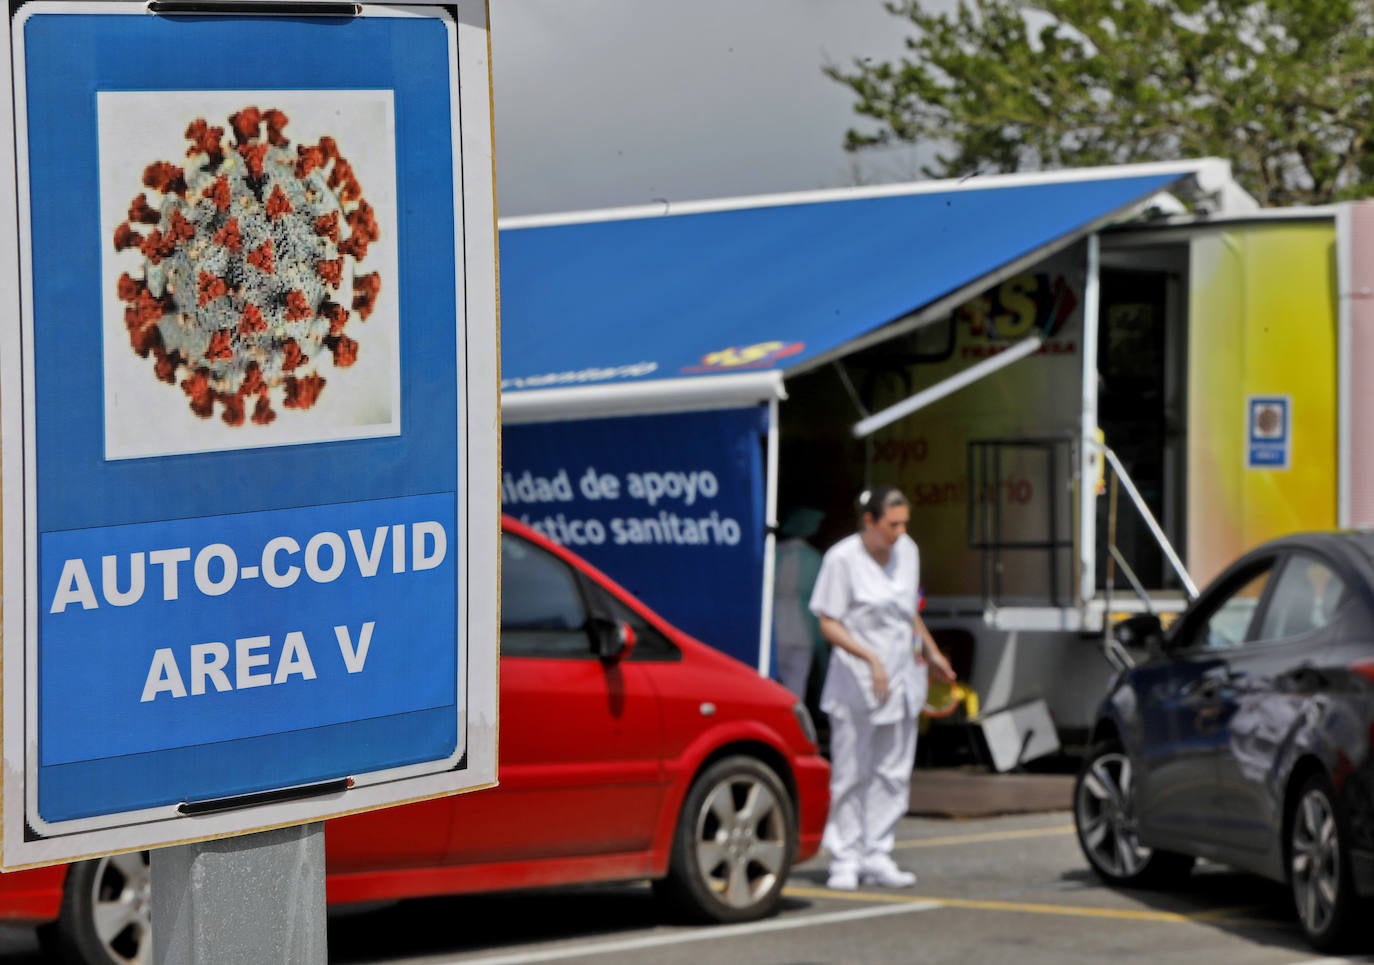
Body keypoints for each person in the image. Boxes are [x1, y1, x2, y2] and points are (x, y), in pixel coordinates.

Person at [809, 485, 955, 890]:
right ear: (869, 522)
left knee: (892, 770)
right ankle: (845, 857)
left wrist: (933, 652)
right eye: (892, 524)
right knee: (851, 771)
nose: (900, 531)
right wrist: (869, 657)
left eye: (904, 523)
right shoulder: (842, 559)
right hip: (858, 680)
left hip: (903, 675)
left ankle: (878, 852)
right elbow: (828, 622)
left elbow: (906, 613)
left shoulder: (908, 551)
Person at [773, 506, 825, 701]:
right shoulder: (814, 558)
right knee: (797, 686)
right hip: (804, 630)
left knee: (770, 684)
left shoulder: (774, 552)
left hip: (776, 625)